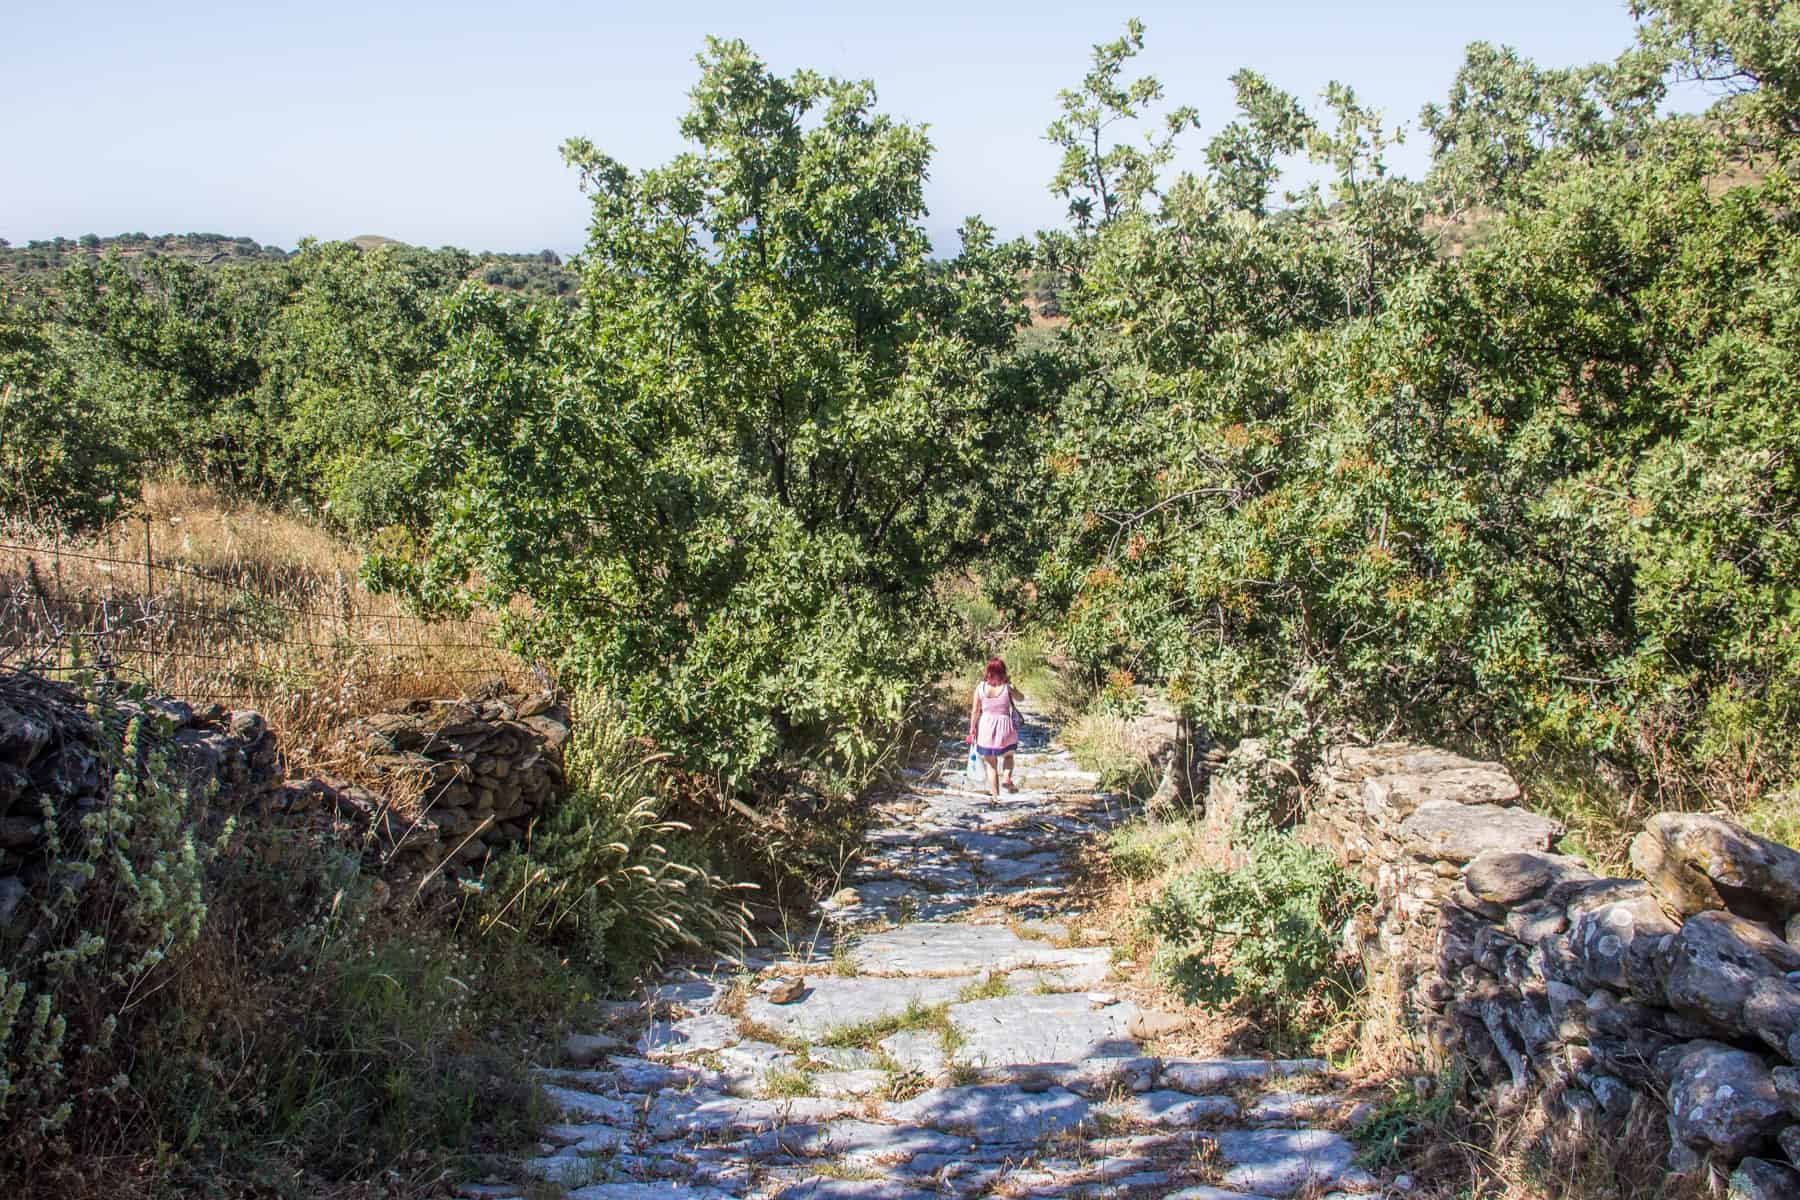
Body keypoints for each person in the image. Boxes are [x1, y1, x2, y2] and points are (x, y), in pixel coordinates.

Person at [968, 657, 1023, 797]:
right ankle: (1006, 777)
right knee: (1008, 756)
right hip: (1005, 728)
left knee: (991, 765)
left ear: (988, 672)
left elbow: (975, 711)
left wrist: (972, 728)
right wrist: (1012, 686)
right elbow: (1021, 698)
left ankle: (995, 796)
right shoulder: (1007, 687)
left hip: (986, 727)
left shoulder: (980, 687)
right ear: (1003, 672)